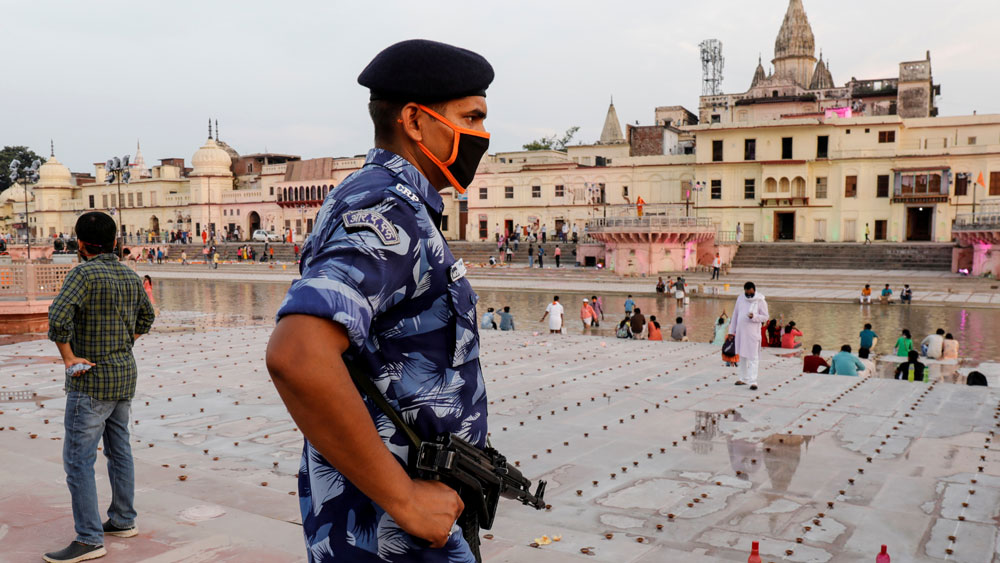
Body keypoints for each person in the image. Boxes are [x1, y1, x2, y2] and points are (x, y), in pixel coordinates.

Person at [265, 39, 495, 562]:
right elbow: (297, 354)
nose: (483, 135)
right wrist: (406, 499)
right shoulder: (386, 209)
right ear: (415, 122)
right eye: (473, 117)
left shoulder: (388, 200)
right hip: (389, 531)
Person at [43, 212, 155, 563]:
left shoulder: (82, 273)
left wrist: (68, 357)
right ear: (114, 242)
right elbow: (147, 318)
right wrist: (124, 343)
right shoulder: (128, 274)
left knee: (78, 460)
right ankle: (123, 519)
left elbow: (58, 318)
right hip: (123, 376)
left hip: (90, 381)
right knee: (119, 450)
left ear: (80, 243)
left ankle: (89, 538)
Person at [728, 282, 768, 390]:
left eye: (750, 293)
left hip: (753, 334)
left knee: (753, 357)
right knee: (742, 356)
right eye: (746, 293)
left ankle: (753, 381)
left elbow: (765, 317)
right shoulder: (740, 298)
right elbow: (735, 314)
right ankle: (743, 378)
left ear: (754, 290)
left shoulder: (760, 300)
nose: (748, 295)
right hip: (741, 333)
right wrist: (731, 332)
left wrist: (754, 316)